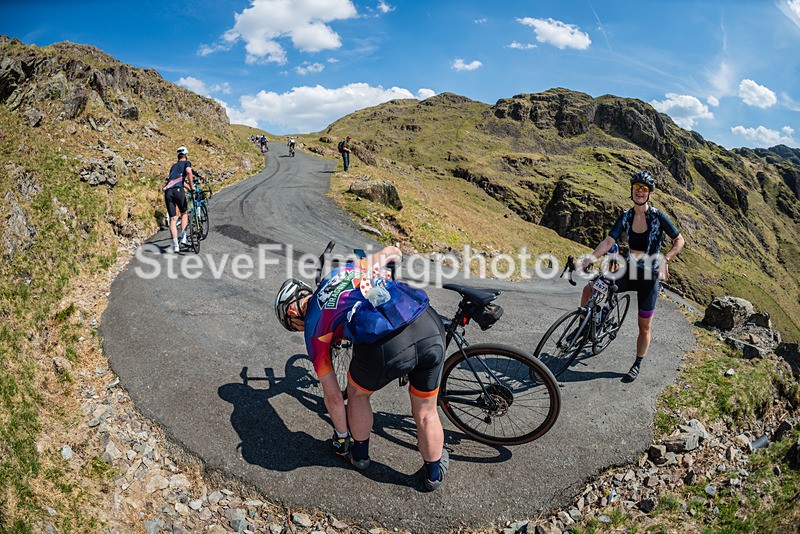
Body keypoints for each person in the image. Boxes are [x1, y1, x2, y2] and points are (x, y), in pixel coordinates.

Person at [275, 246, 450, 491]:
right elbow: (392, 251)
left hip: (387, 342)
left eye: (292, 324)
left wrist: (341, 437)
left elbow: (335, 398)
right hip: (427, 321)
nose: (297, 329)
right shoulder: (338, 272)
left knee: (357, 395)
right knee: (426, 413)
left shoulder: (314, 330)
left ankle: (359, 455)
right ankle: (433, 474)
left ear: (293, 310)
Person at [577, 170, 685, 383]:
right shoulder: (625, 216)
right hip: (628, 270)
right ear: (632, 190)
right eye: (637, 188)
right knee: (590, 288)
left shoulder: (657, 216)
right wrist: (590, 258)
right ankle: (584, 327)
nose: (640, 192)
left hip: (649, 277)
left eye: (644, 189)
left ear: (649, 194)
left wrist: (666, 258)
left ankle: (637, 363)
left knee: (644, 326)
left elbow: (679, 240)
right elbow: (609, 241)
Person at [163, 146, 194, 253]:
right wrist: (192, 186)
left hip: (168, 191)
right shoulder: (187, 163)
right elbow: (189, 172)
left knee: (173, 219)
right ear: (186, 155)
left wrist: (188, 187)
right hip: (178, 191)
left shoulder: (174, 166)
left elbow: (177, 180)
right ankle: (184, 238)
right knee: (184, 213)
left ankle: (176, 245)